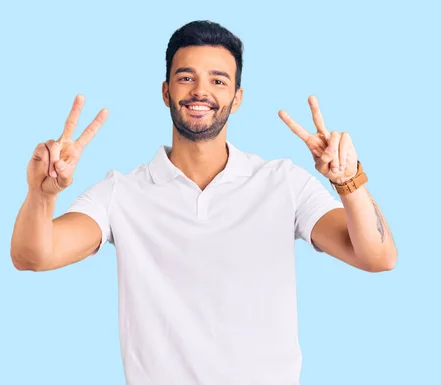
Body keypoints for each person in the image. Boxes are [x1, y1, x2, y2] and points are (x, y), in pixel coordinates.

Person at [11, 20, 397, 385]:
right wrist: (42, 195)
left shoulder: (283, 182)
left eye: (218, 80)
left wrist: (349, 180)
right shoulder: (120, 193)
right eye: (186, 77)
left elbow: (377, 258)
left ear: (237, 97)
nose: (201, 91)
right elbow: (33, 256)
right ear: (166, 92)